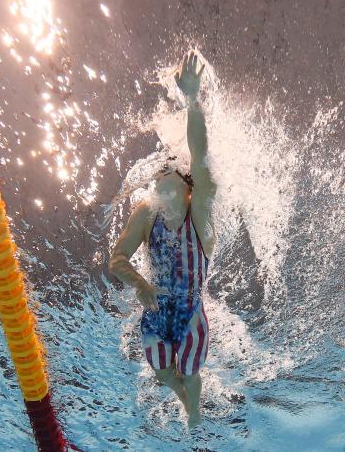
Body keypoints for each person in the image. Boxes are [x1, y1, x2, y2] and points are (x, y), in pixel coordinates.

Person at [108, 51, 217, 428]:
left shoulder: (199, 216)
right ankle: (183, 400)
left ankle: (195, 411)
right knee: (162, 373)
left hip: (190, 316)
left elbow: (200, 160)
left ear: (187, 190)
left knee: (188, 371)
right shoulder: (146, 213)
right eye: (160, 177)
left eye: (170, 175)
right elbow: (116, 258)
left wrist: (191, 99)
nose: (160, 180)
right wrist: (138, 283)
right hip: (156, 311)